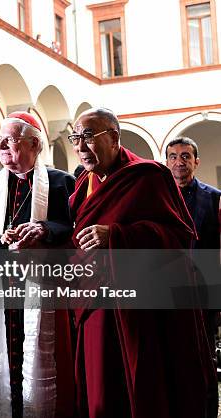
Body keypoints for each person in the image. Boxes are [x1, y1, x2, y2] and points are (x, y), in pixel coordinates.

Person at [69, 108, 215, 418]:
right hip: (97, 303)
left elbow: (178, 237)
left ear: (113, 137)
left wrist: (118, 236)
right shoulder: (82, 187)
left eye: (89, 138)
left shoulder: (149, 175)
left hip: (142, 310)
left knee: (142, 388)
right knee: (102, 392)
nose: (81, 147)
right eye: (76, 139)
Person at [0, 112, 75, 418]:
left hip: (44, 289)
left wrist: (44, 230)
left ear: (34, 143)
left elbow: (74, 230)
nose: (3, 147)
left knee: (44, 360)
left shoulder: (63, 182)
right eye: (0, 140)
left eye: (11, 140)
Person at [165, 136, 220, 417]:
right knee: (171, 359)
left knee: (204, 360)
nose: (179, 162)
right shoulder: (157, 198)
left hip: (203, 292)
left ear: (196, 162)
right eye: (173, 156)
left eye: (185, 156)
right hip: (165, 290)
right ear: (166, 162)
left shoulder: (215, 198)